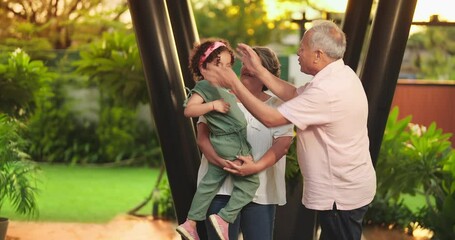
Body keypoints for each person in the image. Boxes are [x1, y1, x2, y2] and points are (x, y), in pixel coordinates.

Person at [201, 20, 377, 240]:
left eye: (302, 48)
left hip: (340, 196)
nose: (297, 53)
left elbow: (271, 118)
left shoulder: (328, 90)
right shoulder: (339, 75)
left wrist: (235, 84)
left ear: (318, 54)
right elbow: (294, 94)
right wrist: (258, 70)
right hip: (345, 191)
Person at [197, 46, 294, 240]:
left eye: (254, 64)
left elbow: (282, 146)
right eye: (245, 63)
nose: (246, 68)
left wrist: (254, 168)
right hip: (219, 190)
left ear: (267, 74)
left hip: (260, 194)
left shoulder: (280, 106)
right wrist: (220, 162)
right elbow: (202, 138)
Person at [177, 38, 259, 240]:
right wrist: (213, 106)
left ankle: (191, 223)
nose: (224, 70)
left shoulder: (225, 90)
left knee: (208, 185)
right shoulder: (205, 86)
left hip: (226, 144)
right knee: (250, 183)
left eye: (228, 66)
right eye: (217, 65)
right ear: (203, 67)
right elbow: (189, 110)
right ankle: (225, 217)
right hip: (231, 143)